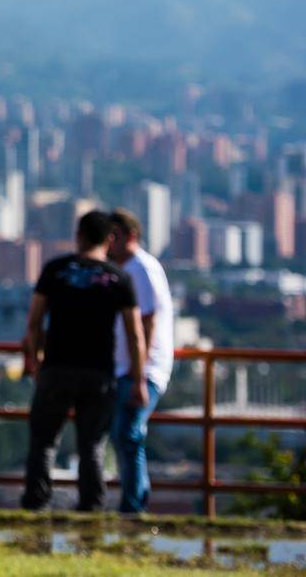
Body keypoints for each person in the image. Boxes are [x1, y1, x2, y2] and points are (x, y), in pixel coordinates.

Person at [21, 209, 147, 512]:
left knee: (44, 441)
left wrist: (34, 358)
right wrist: (139, 379)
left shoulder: (55, 270)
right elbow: (135, 335)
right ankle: (91, 507)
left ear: (78, 235)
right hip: (99, 372)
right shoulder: (119, 278)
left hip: (56, 367)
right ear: (110, 238)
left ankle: (36, 503)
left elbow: (35, 321)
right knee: (92, 445)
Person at [108, 208, 176, 514]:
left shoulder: (140, 268)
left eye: (115, 236)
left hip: (142, 369)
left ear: (131, 236)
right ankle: (135, 499)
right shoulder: (130, 269)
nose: (109, 243)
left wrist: (139, 373)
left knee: (128, 433)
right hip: (131, 367)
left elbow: (146, 323)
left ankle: (133, 506)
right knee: (126, 434)